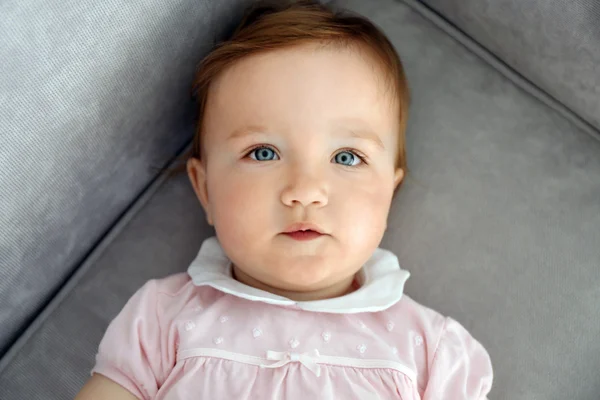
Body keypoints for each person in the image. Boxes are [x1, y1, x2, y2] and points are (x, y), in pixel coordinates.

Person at [75, 0, 493, 398]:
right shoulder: (163, 319)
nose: (305, 191)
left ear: (390, 193)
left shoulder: (431, 352)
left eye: (346, 157)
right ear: (205, 191)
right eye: (263, 153)